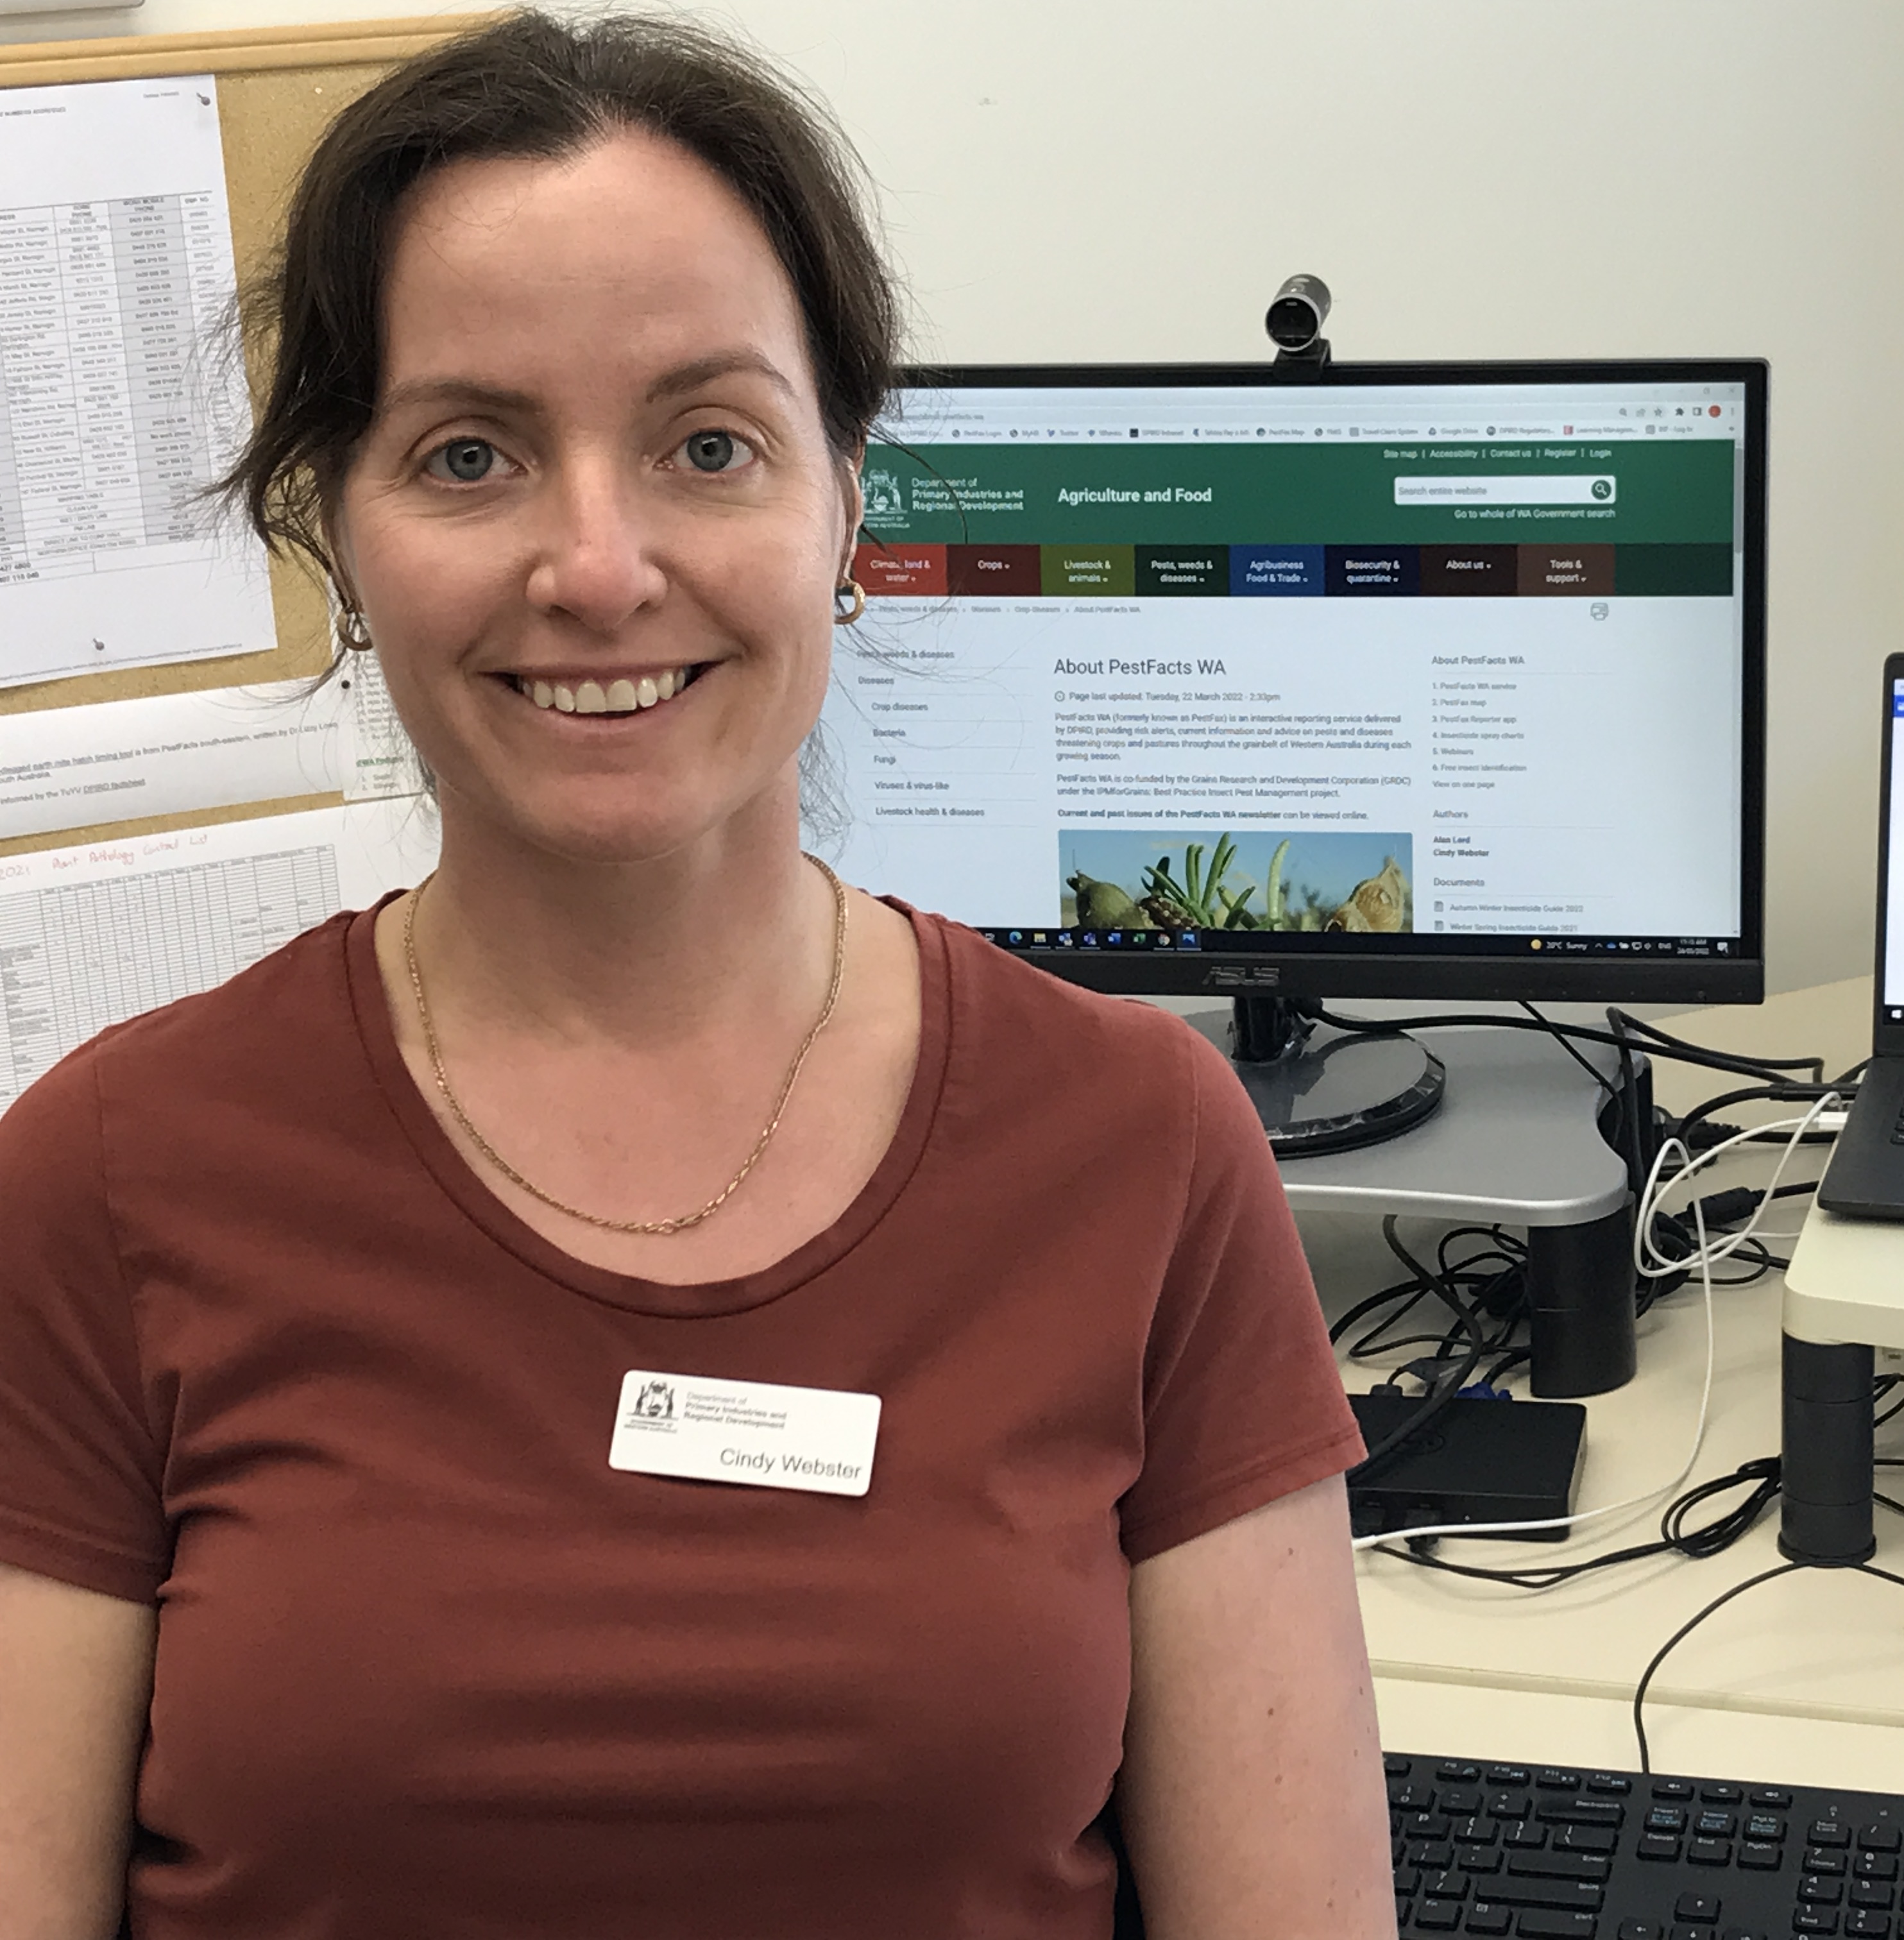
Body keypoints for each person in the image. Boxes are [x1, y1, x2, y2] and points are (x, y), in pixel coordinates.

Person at [0, 15, 1390, 1937]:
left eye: (709, 444)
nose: (597, 568)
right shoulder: (106, 1176)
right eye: (469, 454)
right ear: (336, 525)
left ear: (848, 501)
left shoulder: (1139, 1147)